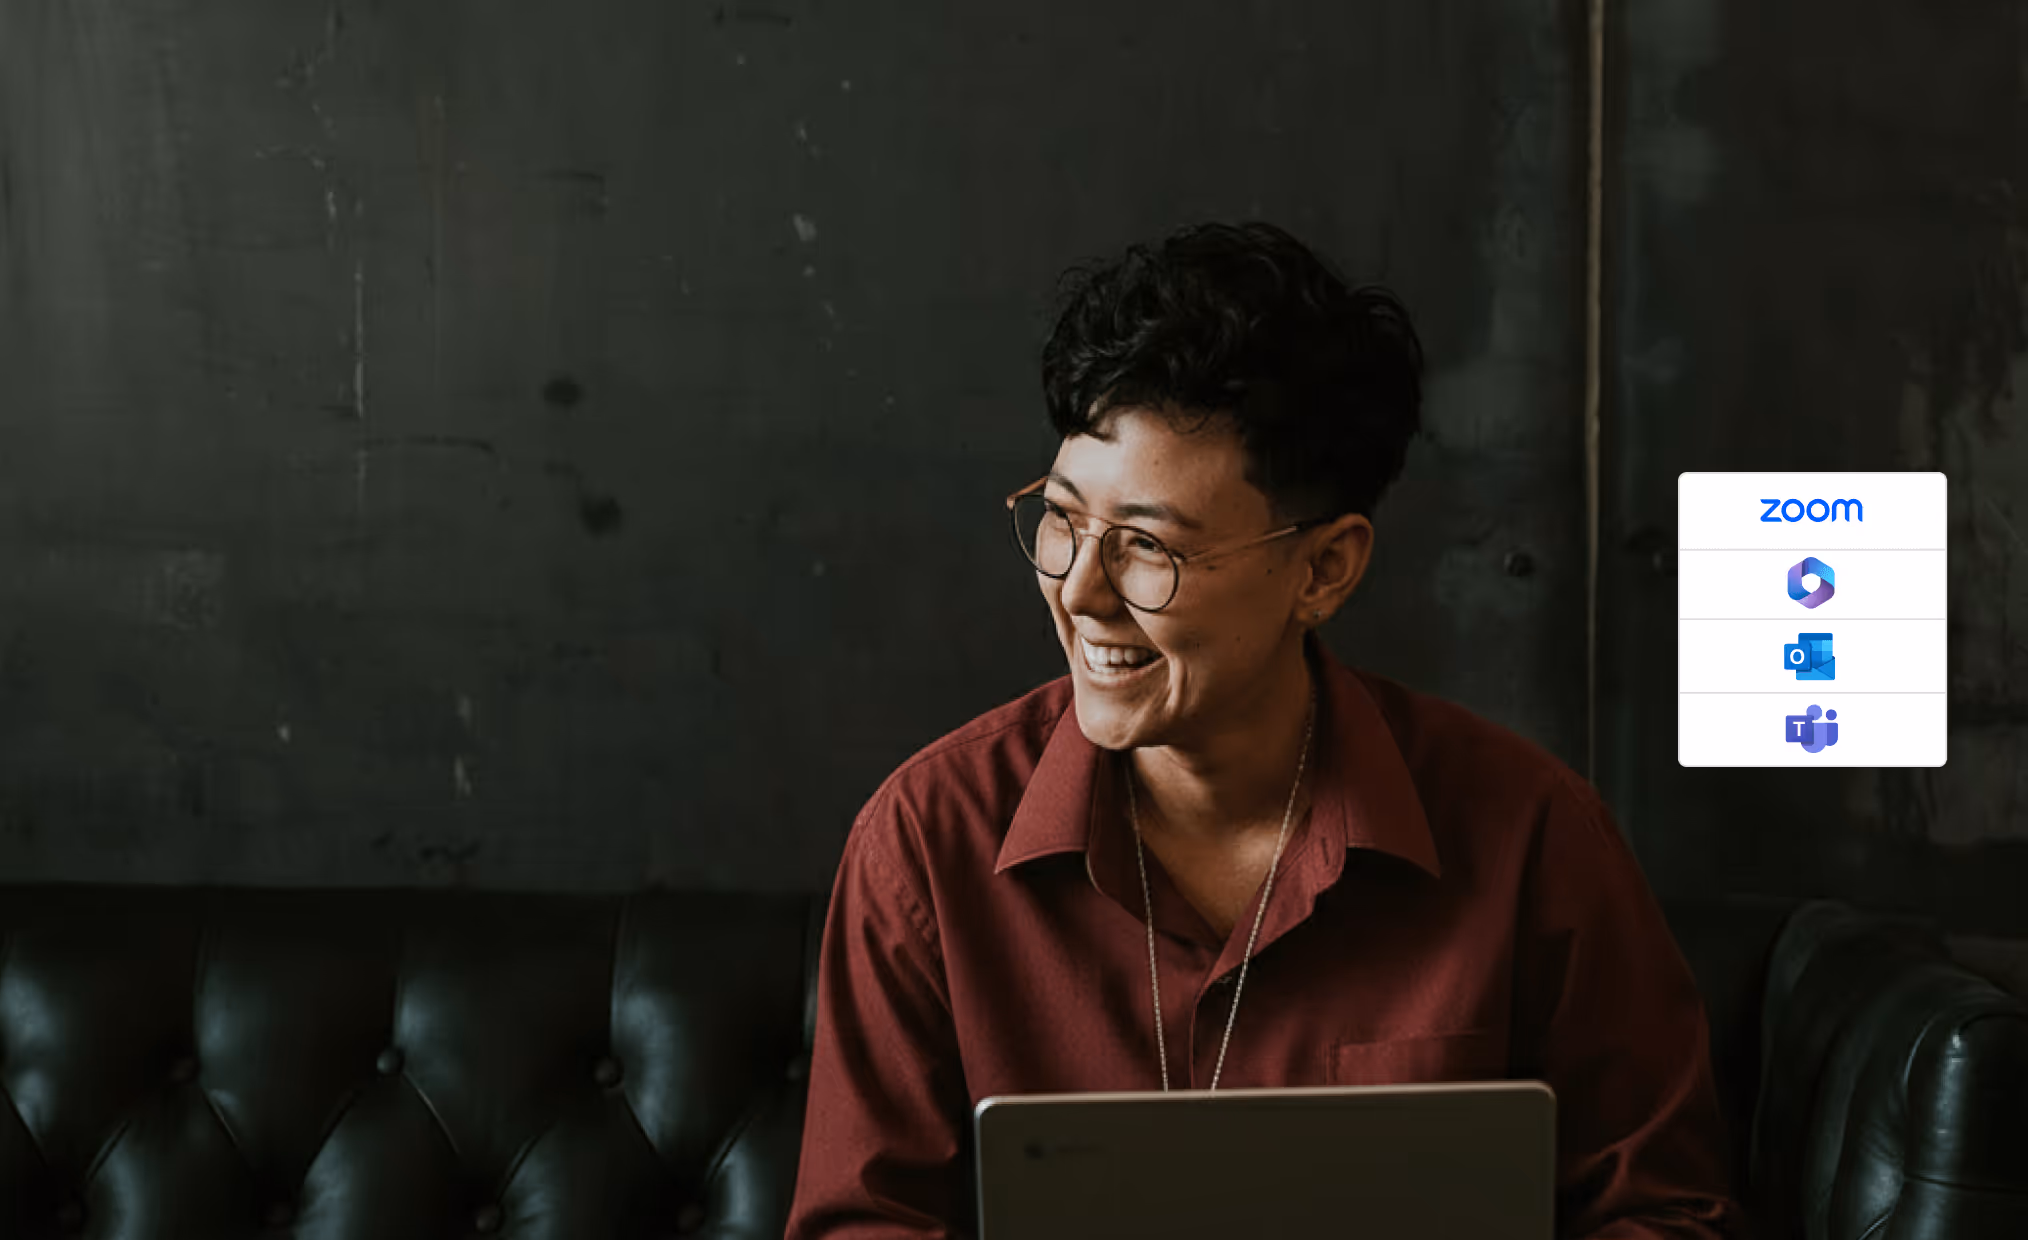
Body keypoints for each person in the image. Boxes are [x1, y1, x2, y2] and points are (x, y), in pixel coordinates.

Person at [784, 221, 1741, 1238]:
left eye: (1149, 546)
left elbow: (1667, 1215)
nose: (1081, 589)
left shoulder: (1532, 837)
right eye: (1062, 518)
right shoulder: (928, 842)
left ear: (1324, 569)